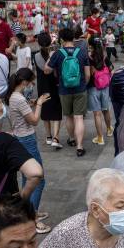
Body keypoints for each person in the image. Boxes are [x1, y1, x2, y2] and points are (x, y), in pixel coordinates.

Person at [4, 67, 52, 234]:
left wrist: (30, 103)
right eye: (31, 82)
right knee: (38, 179)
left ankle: (29, 212)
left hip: (21, 138)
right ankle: (33, 218)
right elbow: (34, 121)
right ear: (24, 82)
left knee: (28, 178)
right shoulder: (18, 99)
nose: (32, 85)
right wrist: (38, 104)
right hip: (27, 140)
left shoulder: (14, 96)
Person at [44, 28, 91, 157]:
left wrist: (51, 56)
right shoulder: (81, 52)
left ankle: (71, 138)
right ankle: (80, 146)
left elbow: (46, 70)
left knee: (69, 116)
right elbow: (87, 75)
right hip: (80, 88)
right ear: (73, 38)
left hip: (64, 90)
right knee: (79, 117)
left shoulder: (58, 53)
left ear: (62, 39)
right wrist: (83, 85)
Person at [35, 32, 63, 149]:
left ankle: (48, 137)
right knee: (56, 111)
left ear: (39, 43)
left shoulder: (36, 56)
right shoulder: (55, 54)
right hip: (54, 85)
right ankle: (56, 137)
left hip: (42, 86)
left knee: (45, 111)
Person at [87, 37, 114, 146]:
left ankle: (100, 138)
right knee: (106, 109)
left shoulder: (89, 57)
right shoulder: (104, 56)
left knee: (97, 114)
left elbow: (88, 73)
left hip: (94, 87)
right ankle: (108, 129)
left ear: (90, 45)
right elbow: (111, 68)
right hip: (105, 86)